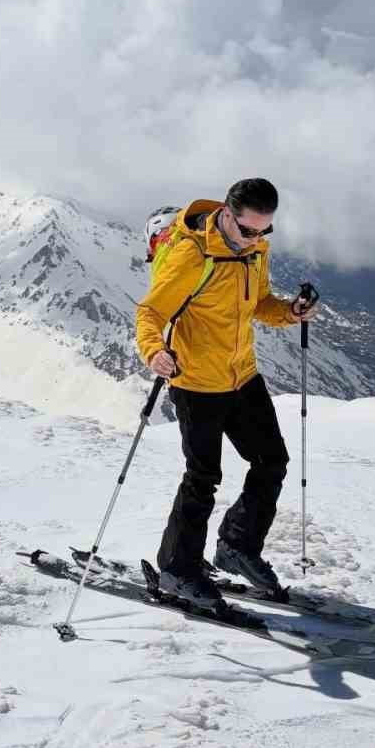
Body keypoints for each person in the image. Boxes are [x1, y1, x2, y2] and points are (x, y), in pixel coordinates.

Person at [135, 177, 319, 613]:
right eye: (248, 229)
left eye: (264, 231)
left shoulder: (255, 250)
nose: (256, 238)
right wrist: (154, 351)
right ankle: (178, 568)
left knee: (271, 461)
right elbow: (150, 312)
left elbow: (257, 304)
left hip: (241, 375)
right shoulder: (191, 254)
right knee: (203, 478)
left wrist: (290, 312)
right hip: (196, 381)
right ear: (226, 215)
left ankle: (236, 547)